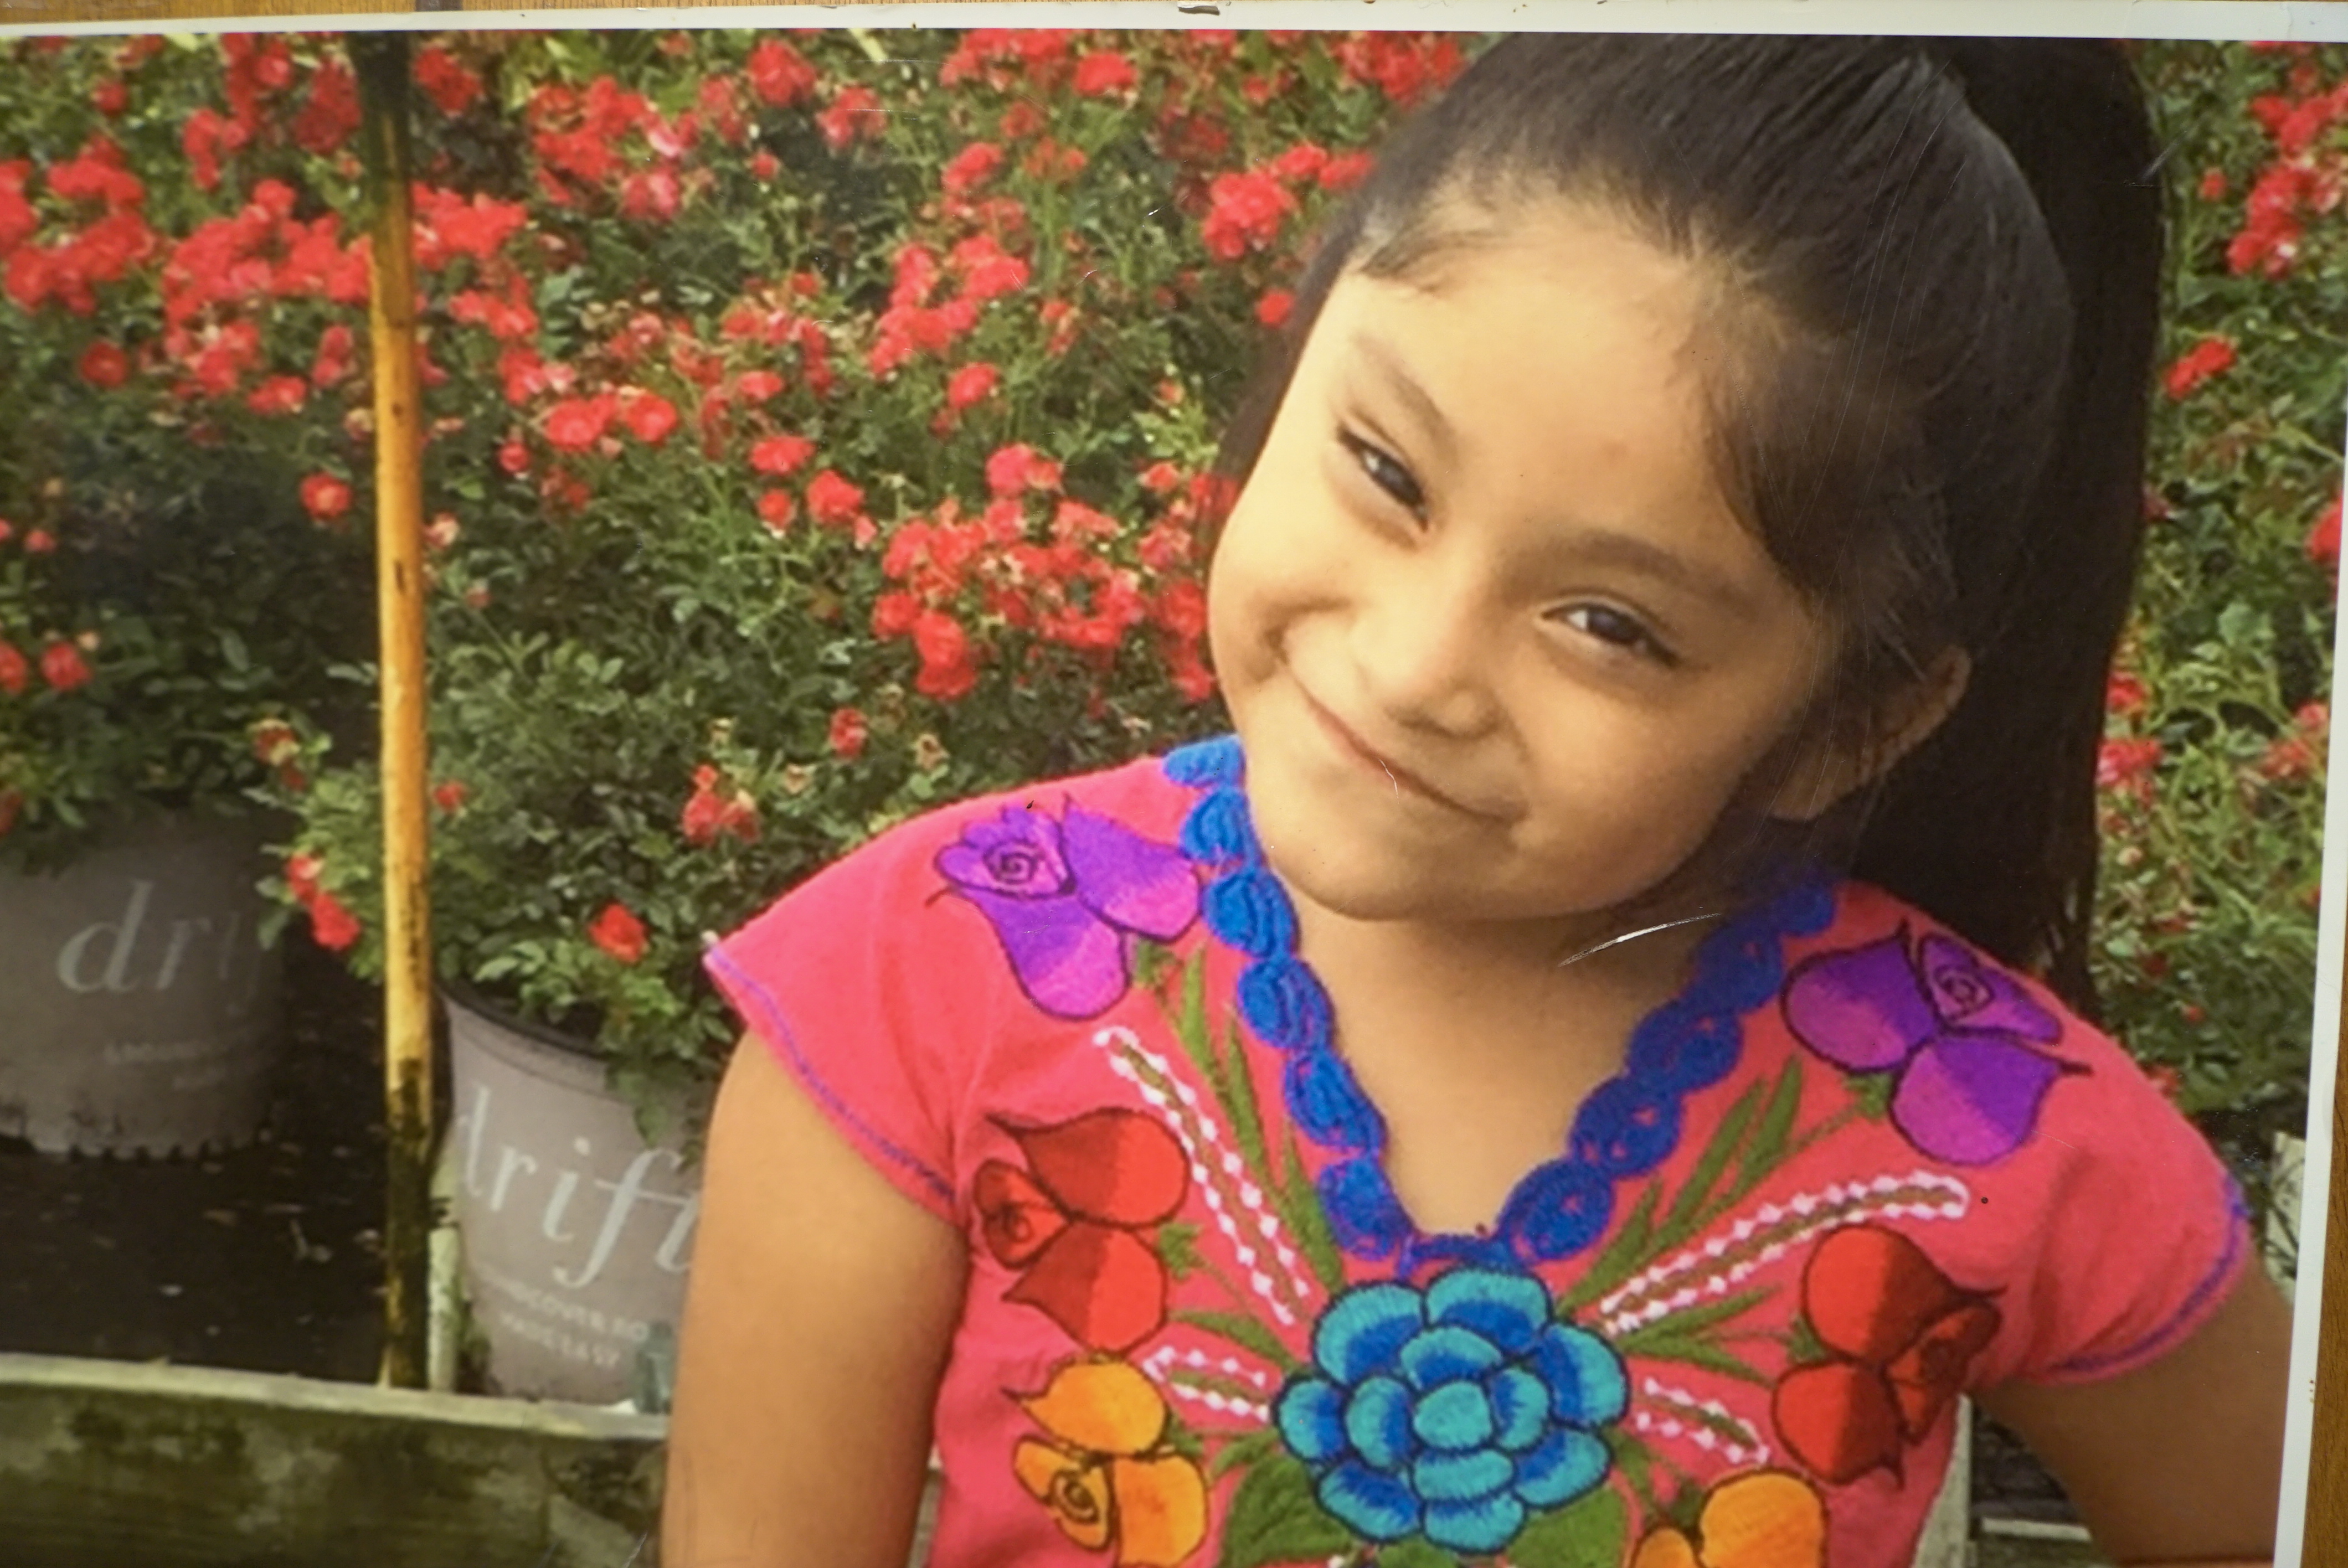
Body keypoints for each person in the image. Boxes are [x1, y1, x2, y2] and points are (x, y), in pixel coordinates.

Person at [661, 33, 2294, 1568]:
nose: (1421, 663)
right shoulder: (918, 982)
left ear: (1844, 728)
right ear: (1301, 349)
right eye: (1387, 471)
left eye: (1610, 625)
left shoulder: (1991, 1122)